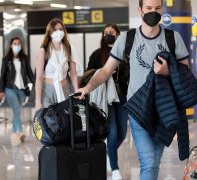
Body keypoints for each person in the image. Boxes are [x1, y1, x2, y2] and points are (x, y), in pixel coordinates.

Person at [76, 0, 190, 179]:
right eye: (149, 8)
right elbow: (106, 70)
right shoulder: (127, 39)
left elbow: (185, 72)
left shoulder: (173, 38)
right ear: (140, 10)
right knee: (149, 162)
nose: (154, 12)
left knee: (154, 162)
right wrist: (87, 87)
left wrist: (168, 71)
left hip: (165, 110)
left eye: (158, 8)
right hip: (138, 110)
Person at [87, 23, 126, 180]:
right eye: (105, 32)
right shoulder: (96, 55)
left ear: (117, 34)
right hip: (106, 99)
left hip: (122, 98)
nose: (108, 34)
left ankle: (108, 155)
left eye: (111, 32)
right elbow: (88, 74)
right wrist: (103, 72)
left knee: (122, 133)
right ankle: (115, 168)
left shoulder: (124, 53)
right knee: (113, 131)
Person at [34, 18, 79, 111]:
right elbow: (38, 77)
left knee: (64, 119)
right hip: (46, 90)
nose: (58, 32)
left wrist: (77, 91)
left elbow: (73, 73)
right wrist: (37, 101)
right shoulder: (43, 51)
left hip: (64, 88)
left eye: (61, 29)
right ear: (50, 33)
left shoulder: (70, 49)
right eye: (55, 29)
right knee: (49, 121)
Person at [0, 37, 34, 143]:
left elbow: (29, 72)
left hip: (22, 89)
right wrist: (1, 90)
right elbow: (2, 76)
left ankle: (14, 131)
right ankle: (20, 131)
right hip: (10, 89)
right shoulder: (6, 60)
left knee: (17, 110)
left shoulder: (25, 58)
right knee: (16, 109)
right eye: (15, 43)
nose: (17, 45)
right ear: (11, 45)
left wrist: (36, 83)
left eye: (19, 43)